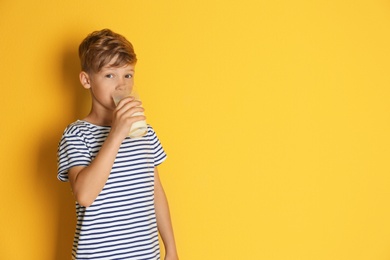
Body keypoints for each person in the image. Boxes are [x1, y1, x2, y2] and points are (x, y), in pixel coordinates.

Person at [57, 28, 178, 260]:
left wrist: (171, 248)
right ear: (86, 80)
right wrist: (116, 133)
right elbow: (84, 195)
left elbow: (156, 191)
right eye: (110, 75)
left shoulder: (144, 132)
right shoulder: (76, 134)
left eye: (128, 75)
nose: (122, 85)